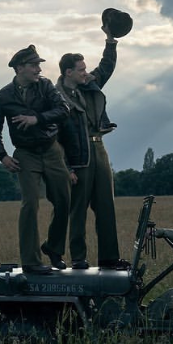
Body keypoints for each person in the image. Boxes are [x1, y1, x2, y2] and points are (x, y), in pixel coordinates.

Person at [0, 45, 71, 274]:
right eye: (34, 65)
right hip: (25, 154)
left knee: (63, 200)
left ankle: (53, 248)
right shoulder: (4, 95)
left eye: (39, 65)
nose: (39, 69)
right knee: (30, 204)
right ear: (19, 68)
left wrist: (37, 119)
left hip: (51, 150)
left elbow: (64, 109)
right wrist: (2, 156)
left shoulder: (45, 85)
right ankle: (31, 262)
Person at [56, 22, 128, 270]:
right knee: (78, 210)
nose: (86, 73)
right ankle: (78, 258)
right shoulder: (55, 98)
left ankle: (109, 258)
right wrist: (67, 168)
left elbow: (106, 67)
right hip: (77, 157)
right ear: (68, 73)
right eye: (81, 70)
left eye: (86, 69)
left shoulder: (89, 85)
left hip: (100, 151)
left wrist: (110, 39)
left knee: (106, 206)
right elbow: (56, 139)